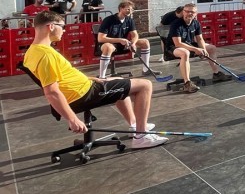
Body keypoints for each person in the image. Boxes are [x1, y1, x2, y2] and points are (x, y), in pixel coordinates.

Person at [23, 11, 167, 147]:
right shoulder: (46, 55)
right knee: (145, 85)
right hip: (82, 95)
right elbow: (52, 92)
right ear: (51, 27)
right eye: (62, 26)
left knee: (118, 81)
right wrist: (72, 119)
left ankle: (135, 125)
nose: (64, 30)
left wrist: (90, 78)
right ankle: (141, 137)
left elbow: (61, 77)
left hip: (80, 88)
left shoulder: (33, 51)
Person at [169, 3, 232, 93]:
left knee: (212, 48)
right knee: (185, 53)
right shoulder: (176, 24)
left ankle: (216, 74)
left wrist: (204, 50)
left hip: (189, 44)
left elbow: (199, 39)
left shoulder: (196, 23)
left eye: (192, 12)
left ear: (196, 13)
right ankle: (187, 83)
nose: (189, 13)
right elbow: (178, 43)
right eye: (187, 11)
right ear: (183, 12)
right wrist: (196, 49)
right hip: (173, 47)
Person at [97, 1, 155, 78]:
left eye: (131, 10)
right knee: (108, 47)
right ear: (121, 8)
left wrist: (133, 43)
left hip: (124, 44)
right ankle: (102, 77)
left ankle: (146, 70)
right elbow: (101, 38)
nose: (130, 12)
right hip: (108, 45)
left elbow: (135, 35)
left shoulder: (129, 20)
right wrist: (120, 40)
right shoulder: (108, 20)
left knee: (145, 42)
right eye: (128, 9)